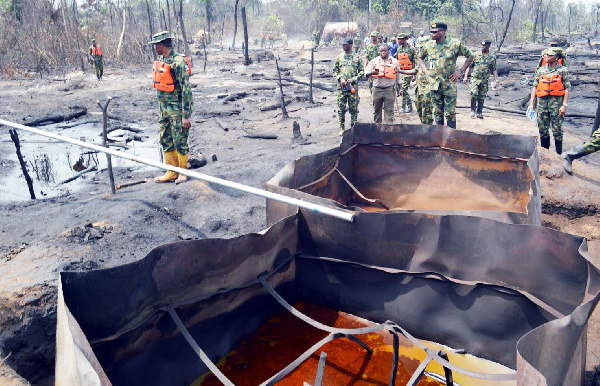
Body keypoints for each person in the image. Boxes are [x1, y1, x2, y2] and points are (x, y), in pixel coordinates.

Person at [148, 31, 194, 184]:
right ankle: (171, 171)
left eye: (156, 45)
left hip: (177, 109)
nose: (155, 48)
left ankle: (182, 171)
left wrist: (186, 115)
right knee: (165, 139)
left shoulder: (178, 62)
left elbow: (186, 90)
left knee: (180, 140)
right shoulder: (162, 60)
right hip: (164, 110)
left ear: (161, 45)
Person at [418, 22, 473, 128]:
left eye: (434, 32)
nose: (431, 34)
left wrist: (460, 71)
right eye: (431, 32)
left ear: (442, 32)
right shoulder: (429, 45)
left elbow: (470, 56)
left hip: (449, 84)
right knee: (437, 112)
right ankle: (439, 138)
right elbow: (420, 57)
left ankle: (451, 138)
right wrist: (426, 72)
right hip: (435, 85)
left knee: (450, 113)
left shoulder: (455, 44)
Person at [528, 48, 570, 154]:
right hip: (542, 104)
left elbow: (567, 88)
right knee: (542, 129)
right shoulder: (540, 70)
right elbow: (535, 87)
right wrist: (531, 103)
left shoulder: (562, 70)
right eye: (546, 55)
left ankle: (558, 154)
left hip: (557, 103)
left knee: (557, 130)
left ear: (556, 57)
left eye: (550, 55)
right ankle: (545, 154)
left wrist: (564, 105)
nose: (547, 57)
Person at [333, 37, 364, 133]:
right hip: (341, 88)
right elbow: (335, 71)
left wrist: (354, 79)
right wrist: (340, 78)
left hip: (352, 87)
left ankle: (353, 129)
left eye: (345, 44)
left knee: (353, 109)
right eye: (342, 44)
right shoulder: (339, 57)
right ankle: (342, 128)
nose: (343, 46)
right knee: (341, 108)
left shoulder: (357, 57)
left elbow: (362, 72)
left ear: (351, 45)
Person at [365, 44, 402, 123]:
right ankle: (378, 129)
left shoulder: (394, 61)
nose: (383, 52)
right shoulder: (374, 61)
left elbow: (398, 76)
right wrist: (372, 72)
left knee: (389, 111)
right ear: (379, 52)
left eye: (385, 50)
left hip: (389, 89)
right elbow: (366, 73)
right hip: (377, 89)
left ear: (388, 51)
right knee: (376, 110)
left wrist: (400, 88)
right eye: (381, 51)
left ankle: (389, 130)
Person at [463, 39, 498, 119]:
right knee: (474, 94)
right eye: (482, 45)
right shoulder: (475, 55)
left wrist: (495, 80)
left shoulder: (492, 57)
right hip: (475, 79)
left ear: (488, 46)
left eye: (484, 45)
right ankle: (472, 110)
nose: (482, 47)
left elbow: (494, 69)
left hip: (484, 80)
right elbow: (469, 66)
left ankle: (479, 112)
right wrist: (465, 76)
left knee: (482, 97)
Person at [396, 33, 416, 113]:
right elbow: (397, 61)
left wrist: (414, 74)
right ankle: (405, 107)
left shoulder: (411, 49)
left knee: (404, 89)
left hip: (408, 72)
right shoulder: (399, 49)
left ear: (404, 40)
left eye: (400, 39)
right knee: (402, 90)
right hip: (400, 72)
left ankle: (408, 107)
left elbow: (415, 61)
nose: (398, 41)